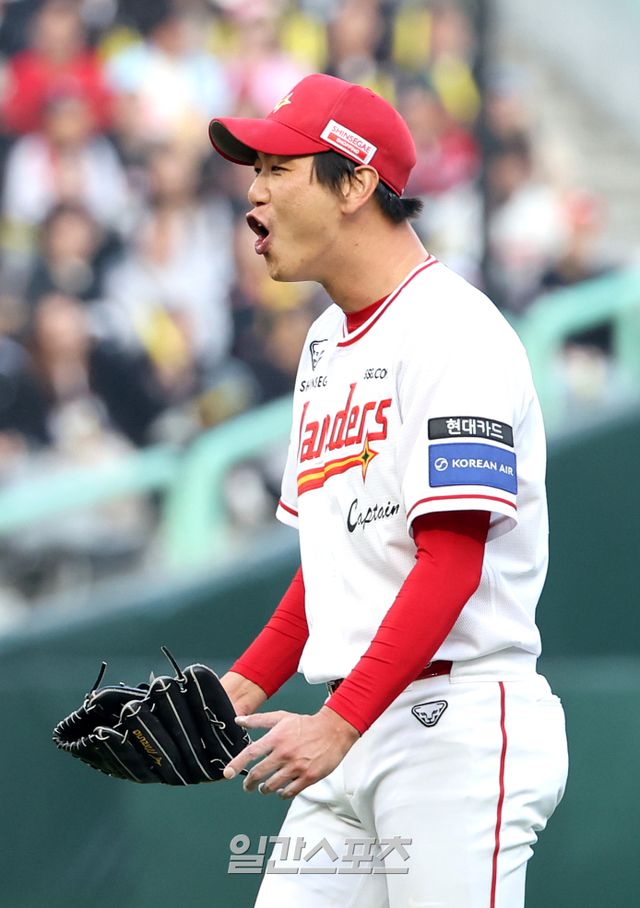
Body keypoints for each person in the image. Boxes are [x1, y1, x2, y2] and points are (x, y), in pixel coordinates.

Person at [208, 73, 568, 908]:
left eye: (277, 169)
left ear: (356, 184)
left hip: (455, 726)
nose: (254, 194)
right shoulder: (324, 342)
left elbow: (452, 560)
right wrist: (233, 695)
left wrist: (339, 724)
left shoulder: (455, 329)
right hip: (351, 721)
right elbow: (336, 561)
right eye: (254, 172)